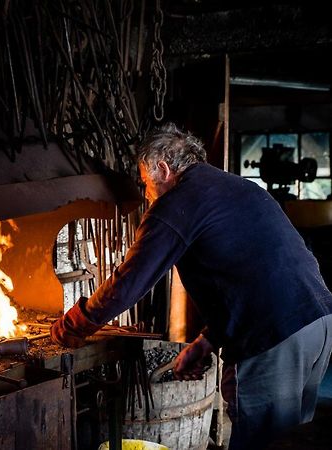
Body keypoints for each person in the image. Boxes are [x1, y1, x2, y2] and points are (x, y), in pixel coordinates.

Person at [50, 122, 332, 449]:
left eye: (144, 182)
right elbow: (249, 277)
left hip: (274, 335)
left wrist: (75, 324)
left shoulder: (178, 202)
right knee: (292, 440)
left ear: (163, 169)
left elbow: (129, 283)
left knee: (264, 442)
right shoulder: (235, 186)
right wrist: (206, 341)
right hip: (318, 321)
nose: (145, 194)